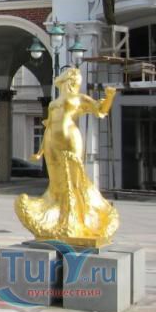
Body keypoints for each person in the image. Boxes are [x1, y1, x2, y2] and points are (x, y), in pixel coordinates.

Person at [15, 68, 118, 243]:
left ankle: (78, 218)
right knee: (57, 181)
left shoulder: (79, 98)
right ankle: (58, 216)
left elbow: (100, 109)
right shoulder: (53, 103)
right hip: (51, 141)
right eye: (72, 78)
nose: (73, 81)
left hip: (71, 139)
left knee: (74, 177)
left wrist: (109, 97)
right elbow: (48, 126)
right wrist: (40, 152)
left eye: (74, 79)